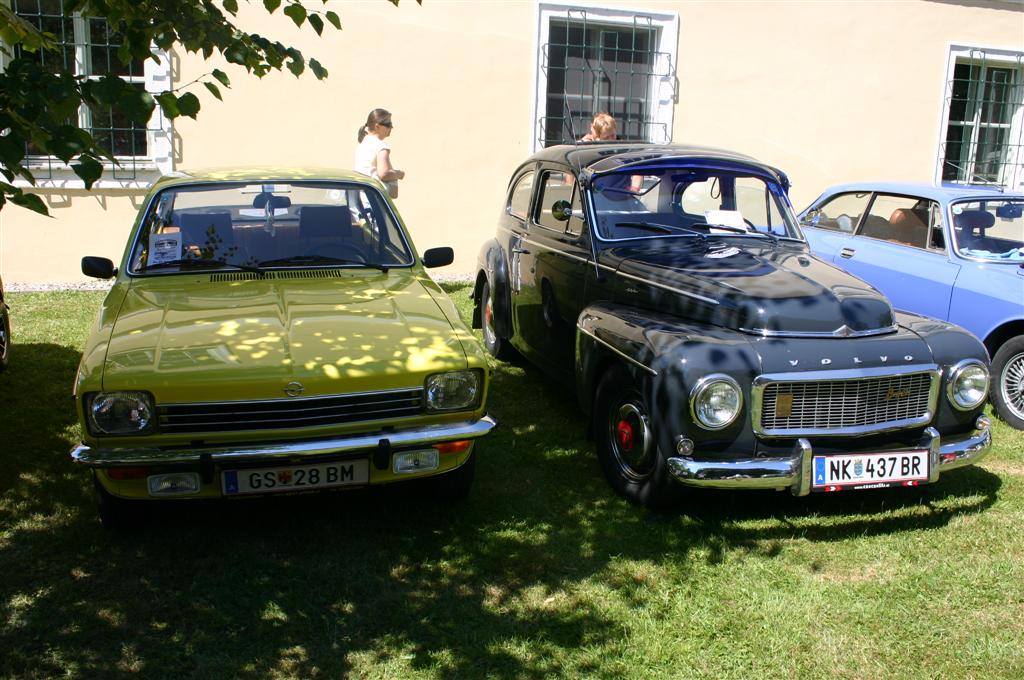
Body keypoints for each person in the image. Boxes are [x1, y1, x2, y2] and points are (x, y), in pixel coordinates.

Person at [354, 108, 404, 198]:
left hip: (361, 196)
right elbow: (384, 174)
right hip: (375, 198)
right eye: (388, 124)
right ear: (377, 126)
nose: (391, 127)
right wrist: (399, 174)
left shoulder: (362, 143)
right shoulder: (381, 146)